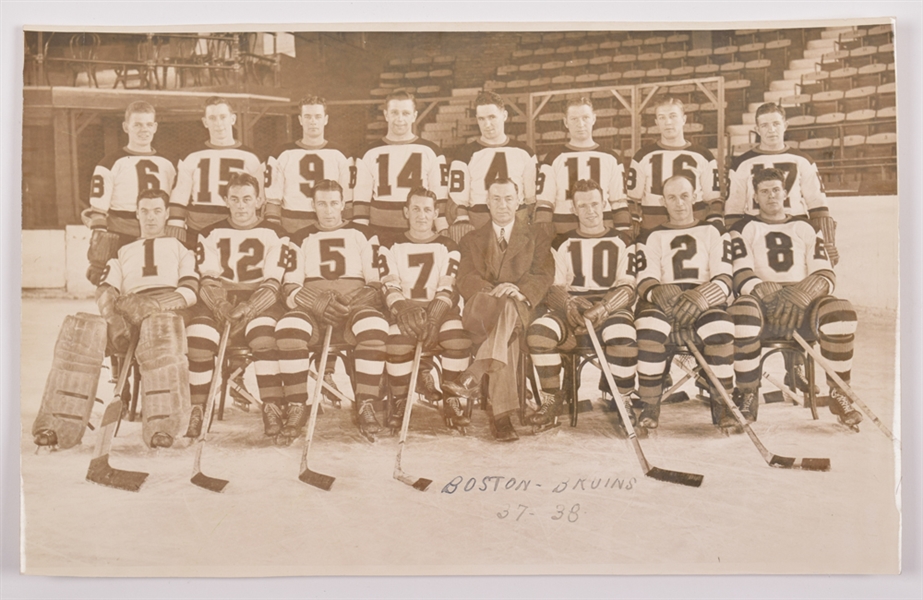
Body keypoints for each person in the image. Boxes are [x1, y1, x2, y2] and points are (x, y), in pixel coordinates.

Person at [33, 189, 198, 449]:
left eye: (157, 211)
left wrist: (154, 305)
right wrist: (113, 319)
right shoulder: (123, 251)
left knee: (160, 331)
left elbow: (189, 292)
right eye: (144, 210)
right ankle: (58, 421)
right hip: (127, 310)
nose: (151, 217)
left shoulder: (181, 248)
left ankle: (163, 428)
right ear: (136, 213)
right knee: (81, 330)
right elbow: (106, 289)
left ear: (167, 214)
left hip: (166, 312)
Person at [728, 168, 860, 427]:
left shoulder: (806, 226)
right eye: (764, 191)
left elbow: (824, 271)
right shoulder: (742, 228)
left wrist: (803, 292)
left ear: (785, 193)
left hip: (804, 302)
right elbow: (740, 270)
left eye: (776, 189)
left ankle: (839, 391)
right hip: (764, 303)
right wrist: (770, 293)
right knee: (741, 314)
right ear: (755, 196)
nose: (771, 196)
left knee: (841, 313)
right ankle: (746, 392)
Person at [277, 180, 389, 442]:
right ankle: (297, 405)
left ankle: (366, 403)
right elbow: (290, 285)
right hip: (314, 306)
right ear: (312, 205)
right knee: (287, 329)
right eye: (322, 204)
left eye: (334, 203)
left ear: (343, 205)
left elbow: (376, 283)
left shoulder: (363, 234)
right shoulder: (299, 237)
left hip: (353, 305)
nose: (328, 210)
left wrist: (352, 302)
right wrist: (314, 303)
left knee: (375, 327)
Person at [446, 178, 554, 442]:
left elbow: (543, 273)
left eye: (508, 198)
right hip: (482, 312)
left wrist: (519, 291)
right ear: (487, 202)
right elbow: (465, 277)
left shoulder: (537, 235)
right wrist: (494, 292)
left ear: (519, 201)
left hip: (519, 310)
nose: (503, 205)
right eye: (496, 198)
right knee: (505, 313)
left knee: (508, 332)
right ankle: (500, 415)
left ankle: (478, 381)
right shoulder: (472, 238)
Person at [184, 172, 288, 440]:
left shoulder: (276, 233)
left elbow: (274, 280)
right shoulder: (210, 233)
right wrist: (220, 307)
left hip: (261, 303)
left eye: (247, 199)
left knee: (264, 335)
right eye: (234, 199)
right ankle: (198, 407)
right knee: (198, 336)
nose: (241, 205)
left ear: (258, 201)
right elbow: (207, 278)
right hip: (221, 302)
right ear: (225, 201)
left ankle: (273, 404)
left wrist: (250, 308)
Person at [527, 179, 638, 428]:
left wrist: (604, 307)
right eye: (583, 205)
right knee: (539, 332)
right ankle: (552, 399)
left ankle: (623, 400)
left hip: (611, 308)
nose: (590, 211)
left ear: (605, 204)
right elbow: (553, 286)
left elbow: (628, 286)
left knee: (623, 334)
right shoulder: (561, 242)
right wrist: (567, 303)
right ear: (574, 209)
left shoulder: (624, 240)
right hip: (572, 308)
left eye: (595, 204)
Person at [634, 174, 735, 430]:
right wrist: (660, 295)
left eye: (684, 196)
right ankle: (650, 402)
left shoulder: (713, 231)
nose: (679, 203)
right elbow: (645, 279)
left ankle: (723, 400)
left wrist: (703, 298)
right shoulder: (651, 236)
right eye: (672, 197)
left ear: (695, 195)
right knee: (648, 326)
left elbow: (724, 276)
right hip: (664, 301)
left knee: (720, 327)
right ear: (662, 201)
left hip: (704, 298)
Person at [379, 187, 472, 432]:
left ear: (435, 213)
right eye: (416, 209)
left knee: (459, 340)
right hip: (406, 311)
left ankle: (452, 397)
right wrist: (402, 309)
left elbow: (448, 286)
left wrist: (433, 317)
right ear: (405, 212)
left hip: (440, 312)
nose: (422, 215)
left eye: (427, 210)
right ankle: (400, 400)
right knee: (395, 343)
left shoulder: (448, 244)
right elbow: (389, 283)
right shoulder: (390, 244)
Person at [726, 102, 839, 266]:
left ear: (785, 126)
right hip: (757, 230)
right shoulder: (742, 163)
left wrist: (827, 243)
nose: (771, 130)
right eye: (764, 125)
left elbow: (818, 206)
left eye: (776, 124)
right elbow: (733, 212)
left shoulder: (802, 160)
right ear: (757, 129)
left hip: (797, 229)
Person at [82, 101, 177, 284]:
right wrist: (99, 255)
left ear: (155, 127)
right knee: (117, 287)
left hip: (158, 233)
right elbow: (99, 210)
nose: (144, 129)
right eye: (137, 124)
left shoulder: (168, 163)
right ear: (126, 127)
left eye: (149, 124)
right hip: (122, 233)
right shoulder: (109, 163)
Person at [168, 96, 265, 245]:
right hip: (198, 229)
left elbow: (259, 199)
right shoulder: (191, 156)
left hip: (237, 229)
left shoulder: (252, 158)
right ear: (205, 122)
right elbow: (179, 195)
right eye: (212, 118)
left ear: (232, 119)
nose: (218, 123)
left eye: (223, 117)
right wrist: (175, 227)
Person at [447, 91, 543, 240]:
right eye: (481, 119)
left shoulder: (525, 152)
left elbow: (531, 199)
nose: (487, 124)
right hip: (480, 219)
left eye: (492, 117)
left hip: (517, 221)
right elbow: (459, 200)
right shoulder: (464, 154)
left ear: (504, 115)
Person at [353, 90, 449, 238]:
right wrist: (360, 235)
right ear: (386, 115)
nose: (399, 119)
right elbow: (361, 201)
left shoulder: (431, 151)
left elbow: (439, 197)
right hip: (379, 231)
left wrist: (442, 228)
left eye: (405, 113)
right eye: (394, 113)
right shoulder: (368, 152)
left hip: (419, 232)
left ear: (414, 116)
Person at [626, 96, 723, 236]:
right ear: (656, 122)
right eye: (662, 117)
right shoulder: (643, 156)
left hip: (694, 231)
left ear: (684, 119)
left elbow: (713, 200)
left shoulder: (703, 155)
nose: (668, 122)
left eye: (673, 116)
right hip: (653, 232)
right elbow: (632, 199)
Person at [536, 97, 630, 235]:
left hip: (603, 232)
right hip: (563, 232)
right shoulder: (553, 158)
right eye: (574, 119)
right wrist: (542, 238)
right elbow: (545, 204)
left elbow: (619, 203)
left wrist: (625, 235)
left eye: (585, 117)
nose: (580, 124)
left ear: (594, 119)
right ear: (565, 122)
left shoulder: (611, 157)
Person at [264, 95, 354, 234]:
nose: (313, 122)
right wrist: (275, 231)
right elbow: (273, 200)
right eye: (307, 116)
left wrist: (347, 230)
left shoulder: (340, 154)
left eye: (318, 117)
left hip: (329, 225)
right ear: (300, 120)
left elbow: (347, 200)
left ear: (326, 119)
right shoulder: (282, 153)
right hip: (292, 224)